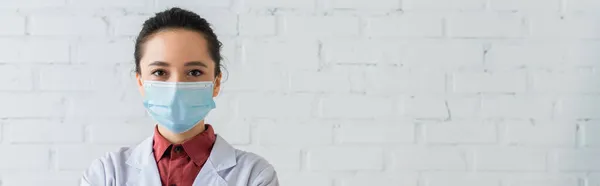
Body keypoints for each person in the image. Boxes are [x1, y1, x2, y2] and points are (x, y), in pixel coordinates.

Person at [80, 7, 279, 186]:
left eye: (194, 72)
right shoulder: (106, 174)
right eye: (159, 72)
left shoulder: (254, 176)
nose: (176, 87)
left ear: (216, 83)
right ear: (140, 82)